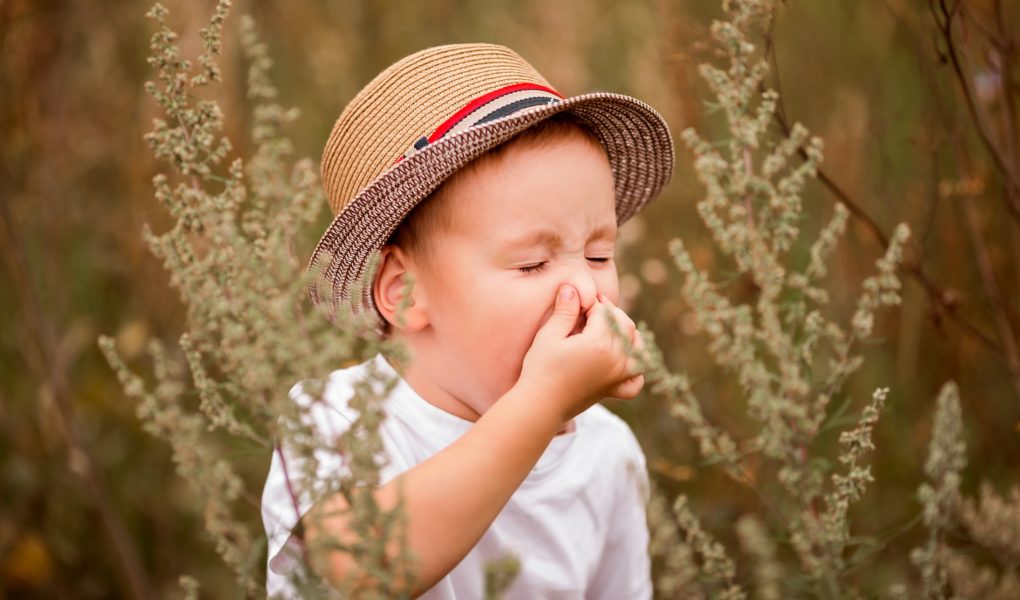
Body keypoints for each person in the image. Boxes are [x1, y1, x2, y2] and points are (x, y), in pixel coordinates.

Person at [261, 42, 675, 598]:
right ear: (404, 293)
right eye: (532, 263)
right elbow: (359, 569)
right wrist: (541, 401)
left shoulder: (608, 453)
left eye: (600, 254)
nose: (585, 286)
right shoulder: (337, 422)